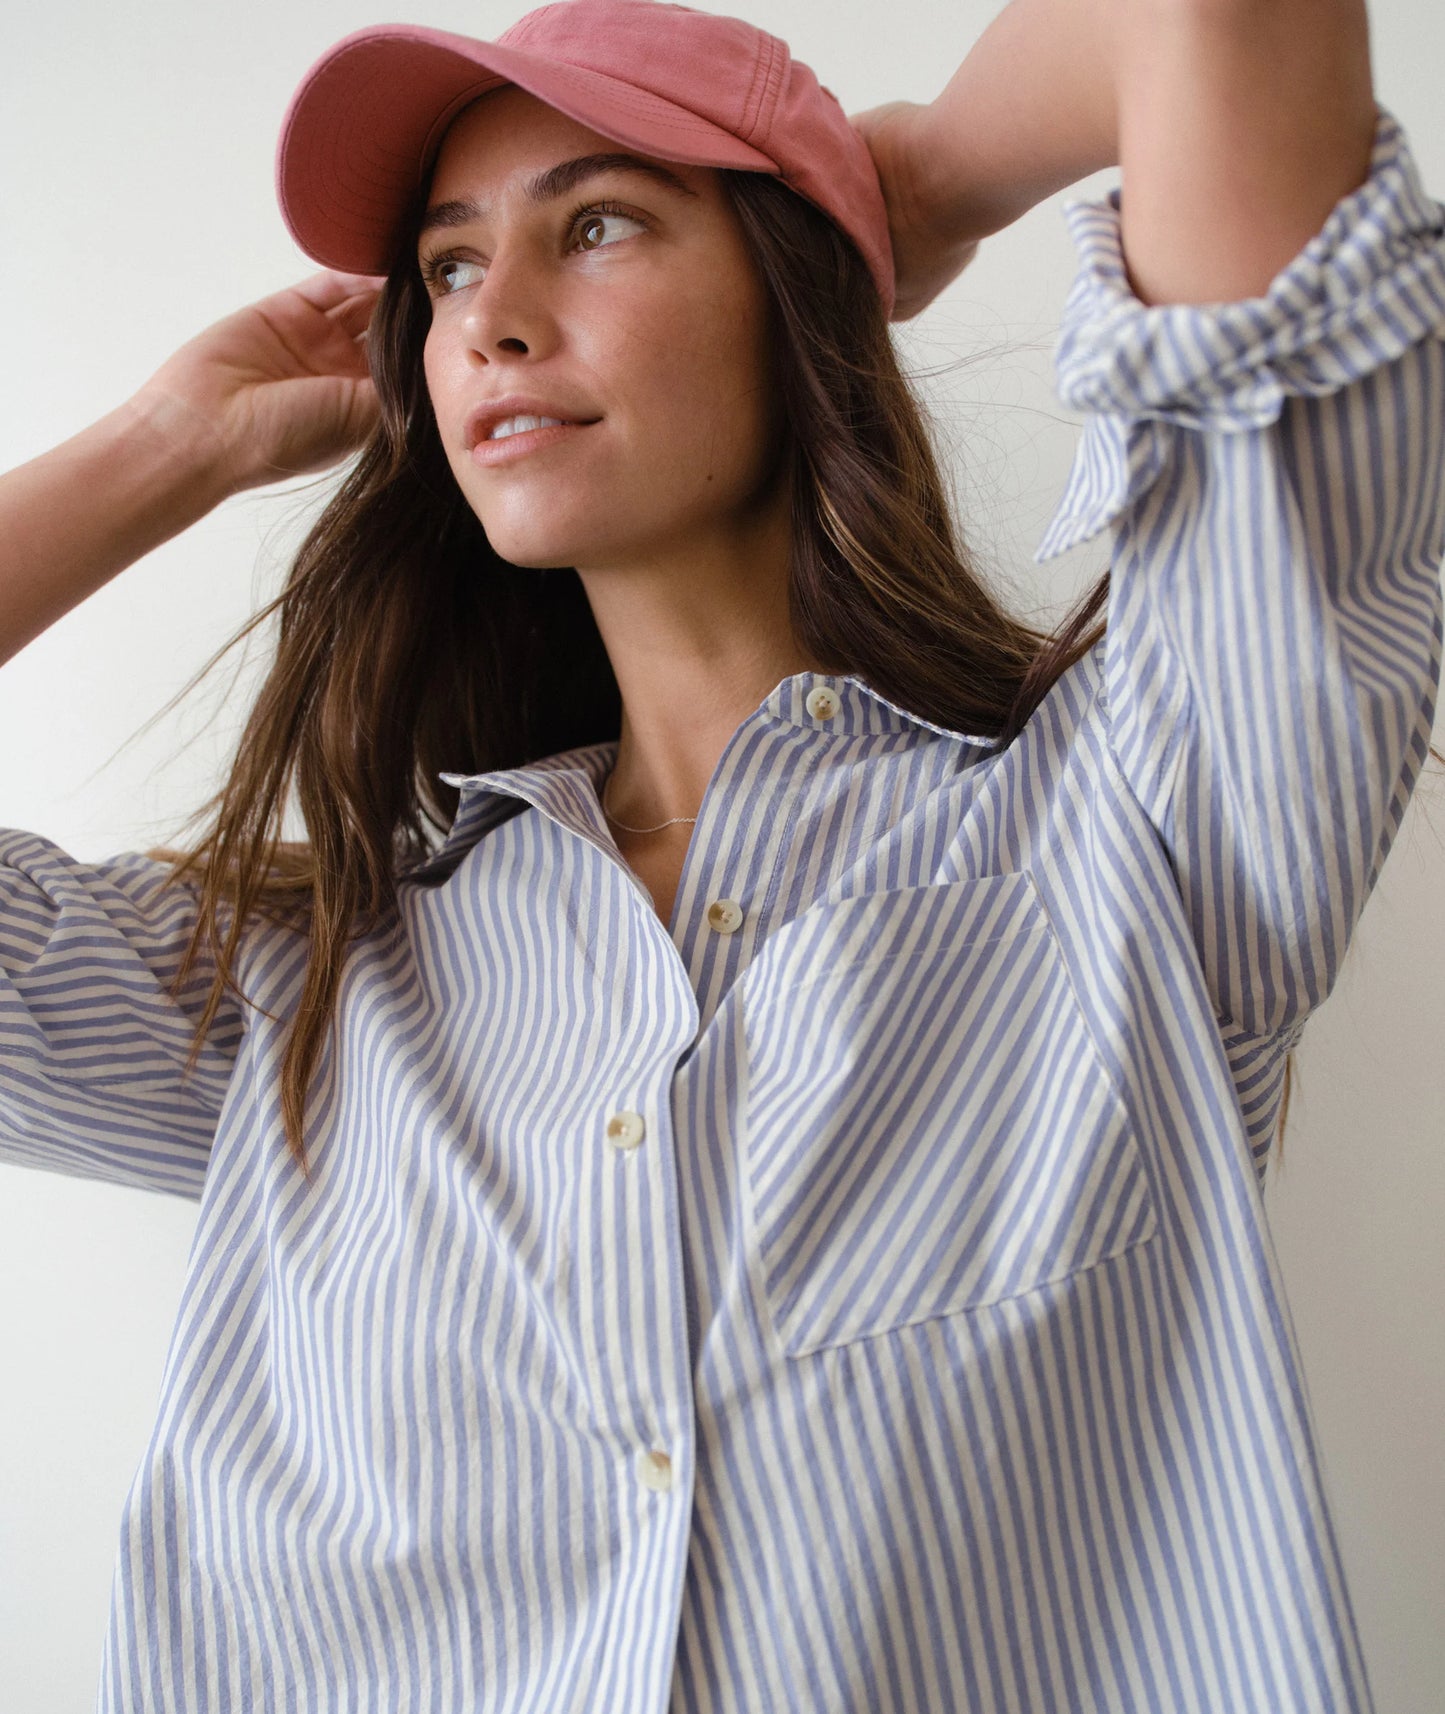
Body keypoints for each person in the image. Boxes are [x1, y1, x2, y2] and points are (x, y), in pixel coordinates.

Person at [1, 0, 1441, 1708]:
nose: (494, 324)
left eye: (596, 222)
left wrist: (913, 179)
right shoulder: (310, 994)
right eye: (448, 272)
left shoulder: (1140, 826)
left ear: (795, 289)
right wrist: (169, 445)